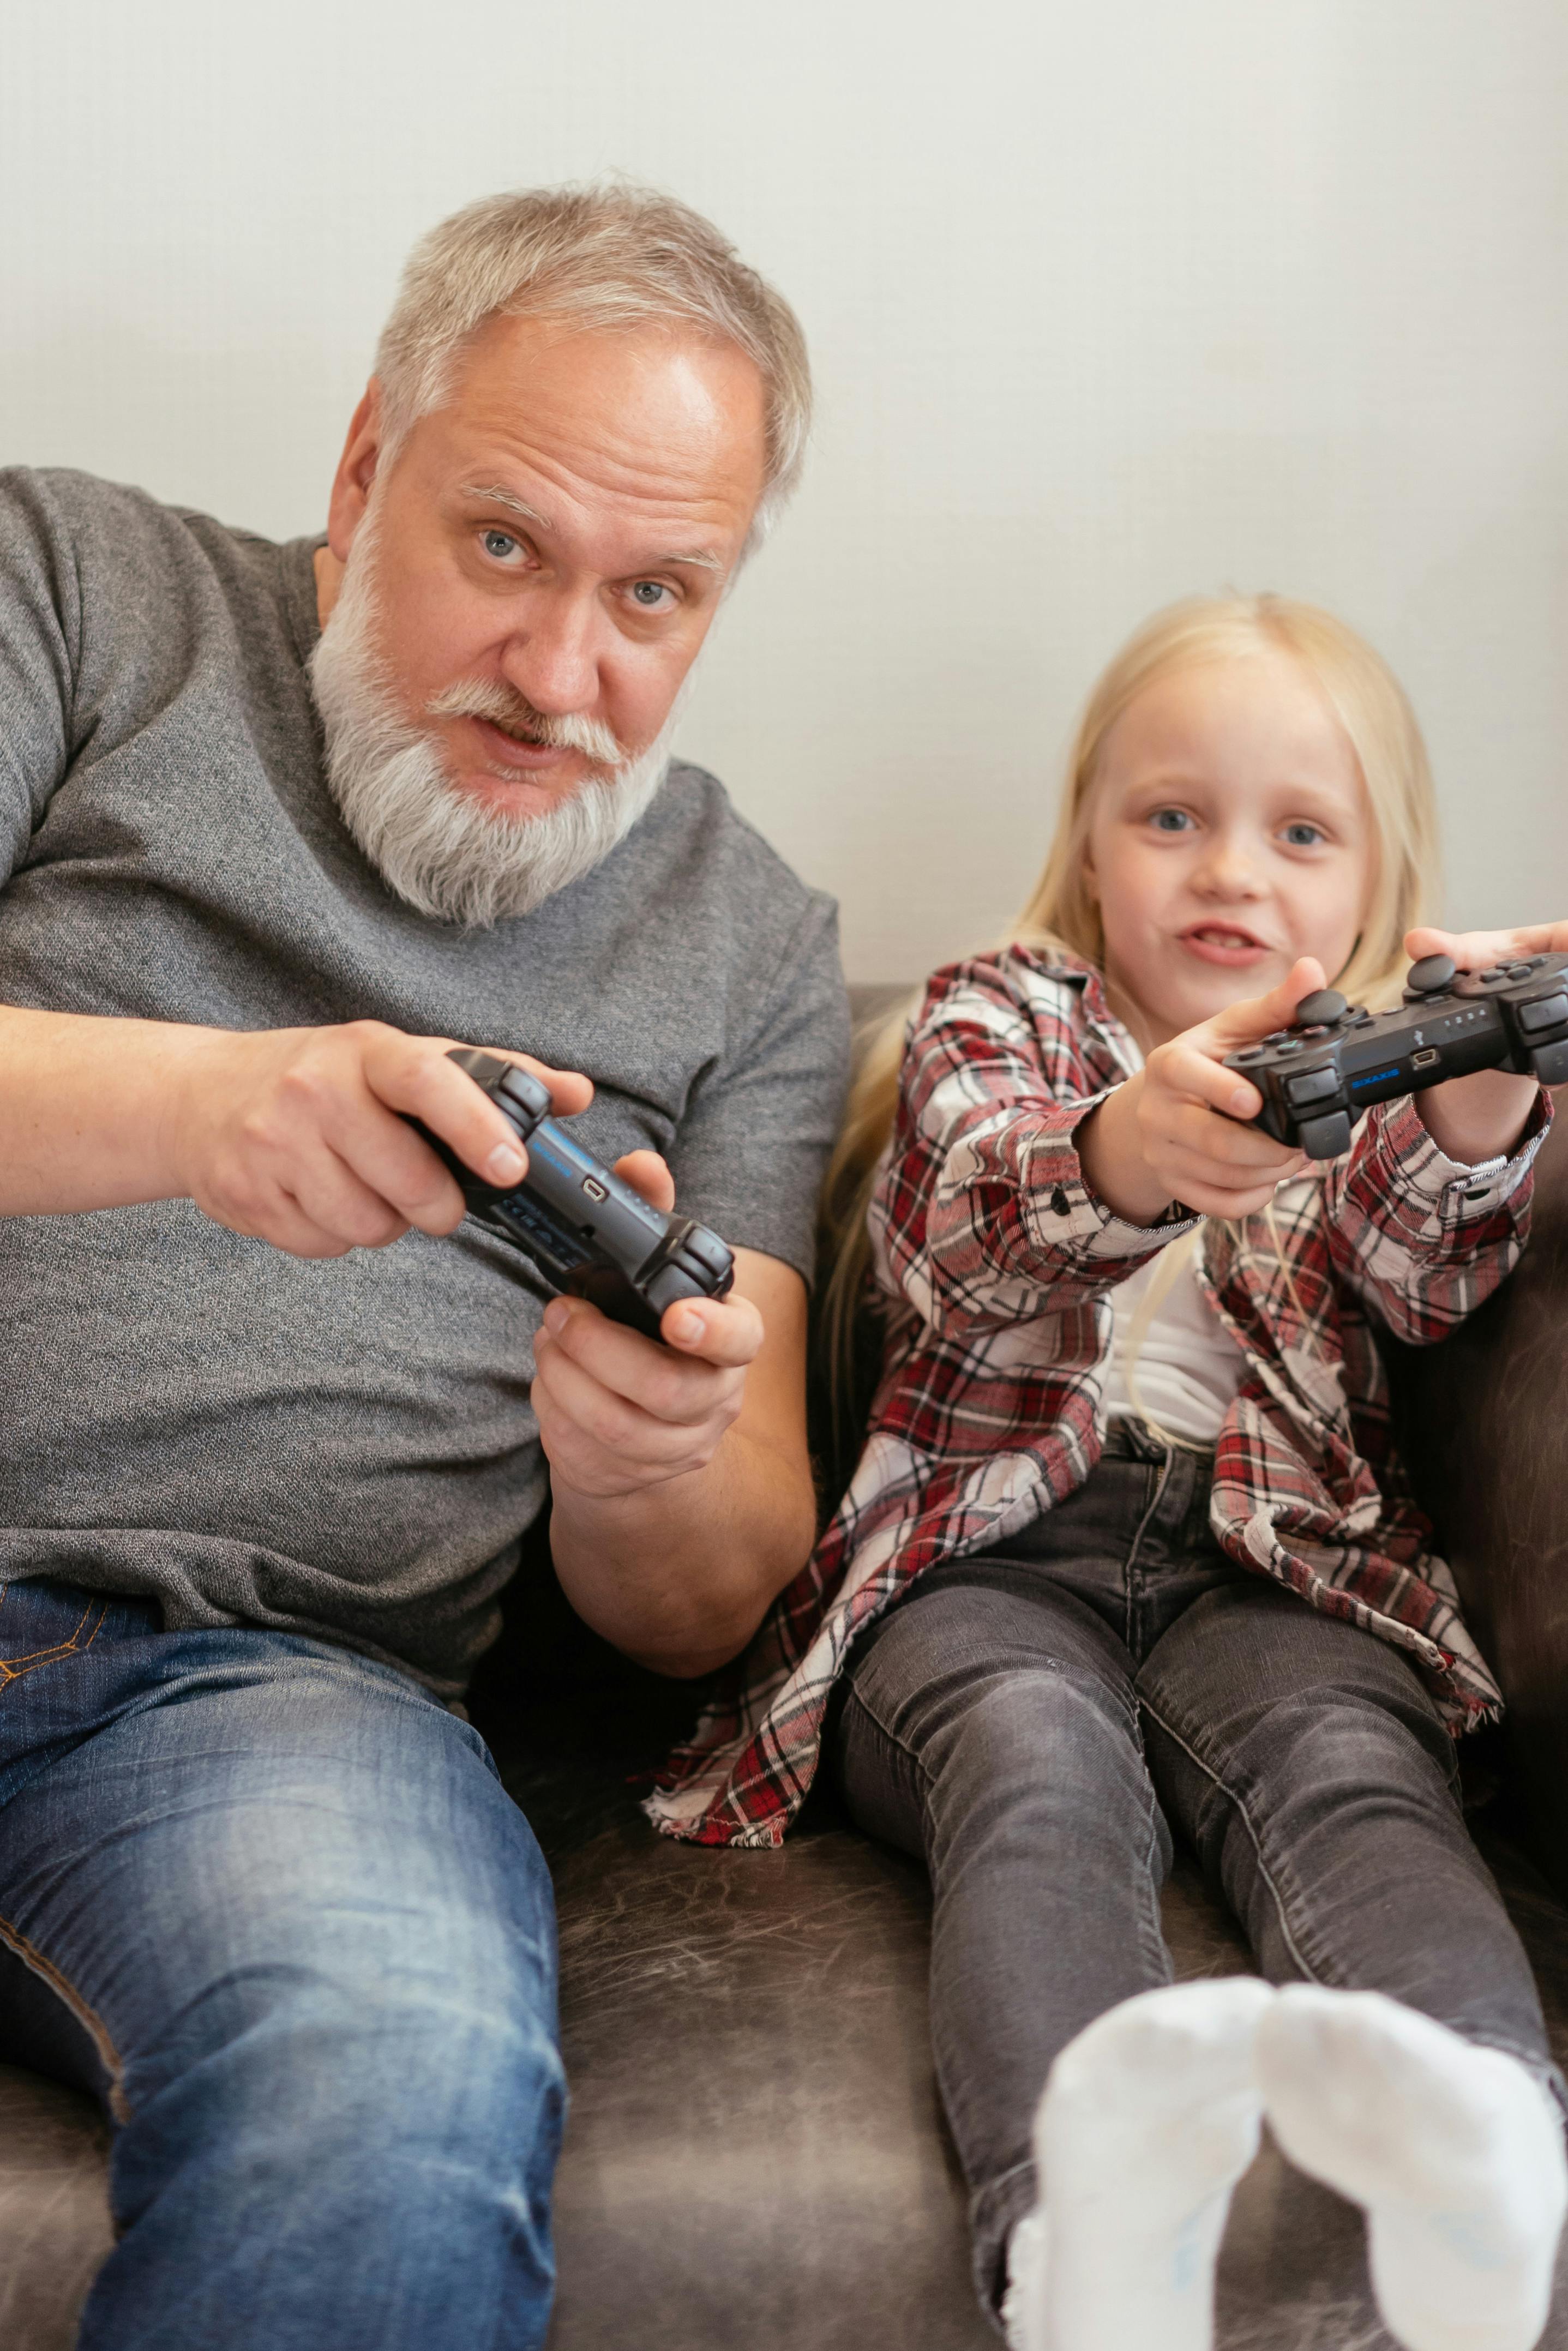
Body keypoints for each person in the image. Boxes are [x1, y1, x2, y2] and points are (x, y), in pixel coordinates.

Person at [0, 182, 847, 2349]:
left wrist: (644, 1455)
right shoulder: (75, 591)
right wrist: (203, 1109)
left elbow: (724, 1571)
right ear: (365, 463)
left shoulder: (752, 950)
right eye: (502, 547)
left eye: (652, 594)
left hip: (236, 1707)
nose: (563, 675)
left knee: (383, 2062)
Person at [650, 595, 1568, 2351]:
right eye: (1171, 817)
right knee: (1034, 1767)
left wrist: (1473, 1117)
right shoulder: (993, 1015)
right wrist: (1120, 1151)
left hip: (1276, 1572)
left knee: (1352, 1771)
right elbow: (964, 1228)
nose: (1229, 870)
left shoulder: (1378, 1070)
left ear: (1375, 883)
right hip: (987, 1561)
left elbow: (1424, 1275)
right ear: (1086, 838)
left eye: (1298, 833)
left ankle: (1487, 2150)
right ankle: (1076, 2231)